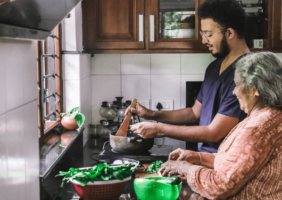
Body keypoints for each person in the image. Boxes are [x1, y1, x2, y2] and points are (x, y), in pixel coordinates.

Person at [159, 52, 282, 199]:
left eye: (237, 85)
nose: (234, 92)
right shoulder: (271, 117)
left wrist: (184, 168)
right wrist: (197, 156)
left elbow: (220, 185)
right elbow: (238, 164)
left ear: (254, 89)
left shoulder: (258, 128)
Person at [129, 0, 248, 153]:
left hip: (225, 165)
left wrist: (158, 129)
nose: (204, 40)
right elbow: (194, 113)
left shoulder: (248, 74)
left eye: (209, 35)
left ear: (230, 33)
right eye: (203, 34)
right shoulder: (214, 67)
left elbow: (214, 133)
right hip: (204, 161)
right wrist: (151, 114)